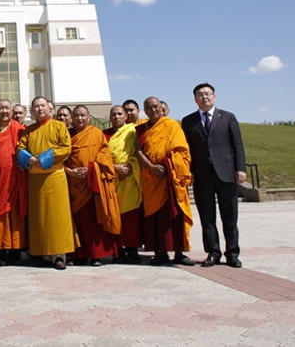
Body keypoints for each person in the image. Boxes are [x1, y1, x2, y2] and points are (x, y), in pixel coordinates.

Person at [182, 83, 246, 268]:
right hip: (202, 176)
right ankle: (213, 252)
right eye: (200, 95)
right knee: (207, 218)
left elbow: (238, 145)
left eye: (207, 94)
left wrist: (240, 168)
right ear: (195, 99)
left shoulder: (227, 117)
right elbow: (187, 149)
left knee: (230, 217)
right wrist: (189, 171)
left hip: (226, 174)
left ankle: (233, 253)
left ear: (214, 96)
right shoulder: (188, 121)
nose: (204, 97)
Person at [136, 97, 194, 266]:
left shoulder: (171, 125)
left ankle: (179, 252)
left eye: (156, 106)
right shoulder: (140, 129)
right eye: (149, 108)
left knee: (174, 215)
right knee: (155, 218)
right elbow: (137, 151)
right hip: (151, 178)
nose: (153, 110)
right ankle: (160, 252)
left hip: (170, 177)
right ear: (144, 111)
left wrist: (168, 166)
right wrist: (151, 166)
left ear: (161, 108)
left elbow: (182, 150)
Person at [17, 96, 73, 270]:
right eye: (36, 107)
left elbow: (65, 148)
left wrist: (42, 159)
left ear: (50, 109)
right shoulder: (28, 130)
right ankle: (40, 253)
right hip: (35, 179)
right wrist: (31, 159)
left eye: (42, 106)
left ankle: (59, 254)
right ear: (32, 111)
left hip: (54, 177)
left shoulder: (59, 126)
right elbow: (20, 148)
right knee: (38, 218)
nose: (40, 109)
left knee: (57, 217)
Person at [65, 106, 121, 266]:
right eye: (76, 116)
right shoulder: (67, 135)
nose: (80, 119)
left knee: (94, 220)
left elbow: (105, 154)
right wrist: (70, 172)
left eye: (83, 115)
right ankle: (80, 255)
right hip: (74, 184)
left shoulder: (96, 134)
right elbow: (61, 157)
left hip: (93, 185)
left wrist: (91, 169)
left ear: (89, 117)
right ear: (71, 118)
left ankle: (97, 255)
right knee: (79, 221)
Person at [0, 99, 26, 265]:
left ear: (12, 110)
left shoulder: (20, 129)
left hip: (16, 178)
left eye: (7, 108)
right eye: (0, 108)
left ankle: (16, 249)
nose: (4, 111)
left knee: (15, 213)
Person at [105, 105, 143, 263]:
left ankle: (132, 250)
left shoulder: (133, 131)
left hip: (130, 177)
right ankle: (118, 250)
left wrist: (129, 166)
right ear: (109, 118)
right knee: (114, 215)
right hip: (112, 177)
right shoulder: (104, 135)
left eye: (120, 114)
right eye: (113, 114)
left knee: (131, 217)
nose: (116, 116)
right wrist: (115, 167)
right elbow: (100, 157)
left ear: (126, 116)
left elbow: (140, 151)